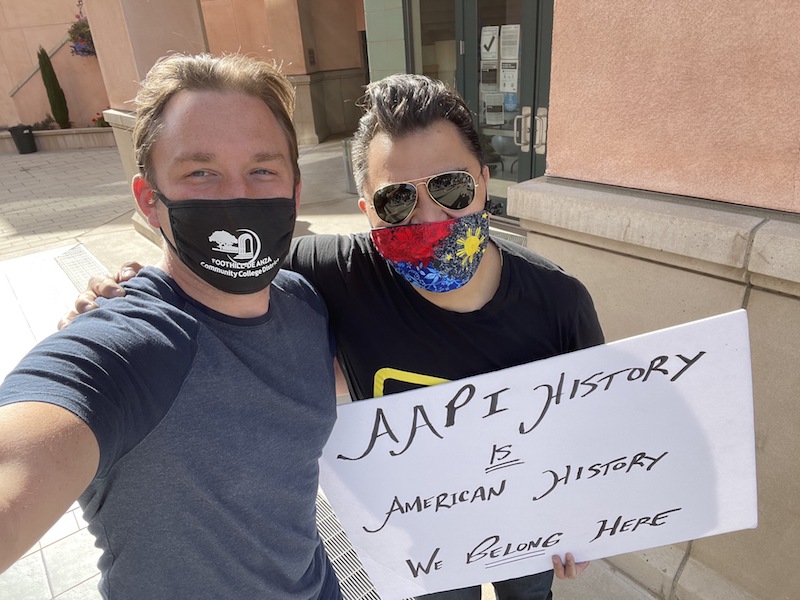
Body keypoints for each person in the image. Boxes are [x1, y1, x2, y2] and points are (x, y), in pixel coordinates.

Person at [64, 74, 603, 598]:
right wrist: (128, 290)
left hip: (527, 521)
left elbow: (598, 428)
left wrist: (585, 515)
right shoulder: (333, 272)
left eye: (452, 186)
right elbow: (215, 272)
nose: (431, 215)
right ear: (366, 211)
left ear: (484, 182)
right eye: (397, 201)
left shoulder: (560, 302)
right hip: (419, 536)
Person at [0, 53, 342, 600]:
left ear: (295, 190)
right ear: (149, 200)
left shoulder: (303, 303)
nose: (239, 197)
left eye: (262, 170)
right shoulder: (128, 347)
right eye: (200, 172)